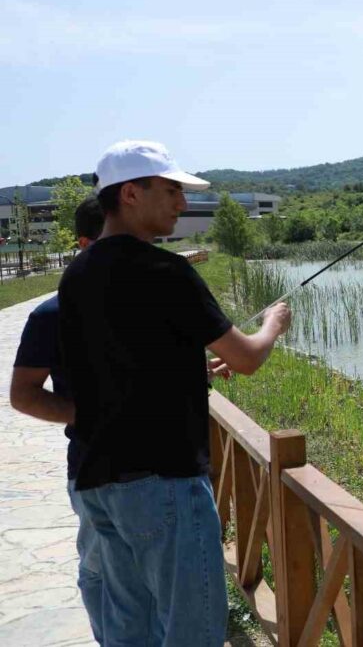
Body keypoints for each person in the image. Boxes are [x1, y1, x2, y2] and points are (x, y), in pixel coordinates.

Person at [58, 140, 292, 646]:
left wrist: (187, 368)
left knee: (130, 629)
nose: (182, 205)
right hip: (164, 481)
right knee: (193, 628)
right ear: (130, 195)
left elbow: (118, 363)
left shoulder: (77, 275)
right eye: (171, 191)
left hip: (100, 482)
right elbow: (248, 358)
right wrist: (272, 323)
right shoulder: (166, 272)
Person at [10, 197, 106, 641]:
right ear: (85, 244)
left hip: (168, 472)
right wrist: (91, 415)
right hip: (92, 470)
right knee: (100, 570)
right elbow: (24, 395)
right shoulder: (50, 314)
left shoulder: (153, 304)